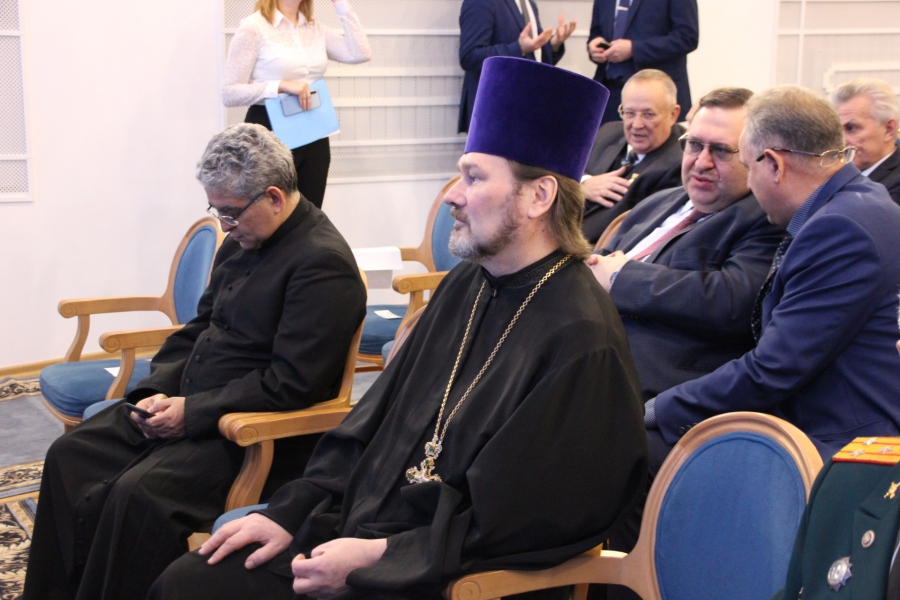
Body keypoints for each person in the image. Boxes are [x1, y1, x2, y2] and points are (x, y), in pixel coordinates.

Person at [149, 56, 648, 600]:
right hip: (364, 527)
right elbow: (373, 420)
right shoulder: (469, 283)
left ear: (539, 196)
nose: (453, 193)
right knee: (189, 580)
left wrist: (377, 558)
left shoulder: (581, 338)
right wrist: (290, 512)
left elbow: (534, 521)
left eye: (474, 177)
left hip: (441, 574)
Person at [23, 123, 367, 600]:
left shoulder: (322, 264)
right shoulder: (242, 240)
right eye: (217, 211)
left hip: (248, 433)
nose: (224, 225)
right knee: (70, 454)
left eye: (230, 212)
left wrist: (194, 413)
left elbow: (293, 383)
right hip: (188, 408)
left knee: (136, 496)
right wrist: (155, 392)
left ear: (273, 197)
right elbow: (198, 328)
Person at [645, 85, 900, 466]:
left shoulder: (838, 229)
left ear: (775, 165)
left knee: (630, 450)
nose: (749, 184)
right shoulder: (862, 202)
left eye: (749, 168)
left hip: (840, 447)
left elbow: (773, 369)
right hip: (825, 422)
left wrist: (657, 409)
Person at [588, 87, 782, 403]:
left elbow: (731, 303)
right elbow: (600, 262)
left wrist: (621, 277)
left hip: (647, 389)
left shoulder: (766, 218)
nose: (701, 162)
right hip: (584, 352)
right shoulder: (659, 202)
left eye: (721, 150)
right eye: (694, 145)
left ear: (754, 155)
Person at [223, 0, 372, 209]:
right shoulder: (254, 26)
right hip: (269, 132)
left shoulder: (315, 28)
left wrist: (341, 5)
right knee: (270, 214)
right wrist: (280, 86)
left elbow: (361, 53)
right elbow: (229, 93)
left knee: (309, 213)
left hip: (313, 129)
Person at [580, 69, 684, 243]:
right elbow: (562, 174)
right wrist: (583, 184)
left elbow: (641, 235)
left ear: (673, 114)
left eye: (648, 114)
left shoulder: (678, 164)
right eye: (629, 113)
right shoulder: (608, 132)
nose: (637, 124)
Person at [457, 0, 575, 132]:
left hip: (526, 111)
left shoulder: (529, 4)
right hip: (495, 116)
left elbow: (534, 56)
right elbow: (470, 56)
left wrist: (554, 44)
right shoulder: (481, 2)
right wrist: (519, 48)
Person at [587, 0, 698, 123]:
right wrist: (595, 45)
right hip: (607, 94)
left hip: (654, 98)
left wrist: (634, 49)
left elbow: (687, 38)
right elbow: (597, 30)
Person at [831, 77, 900, 205]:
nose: (841, 142)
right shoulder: (836, 174)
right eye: (837, 131)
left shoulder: (894, 190)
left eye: (851, 128)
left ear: (889, 129)